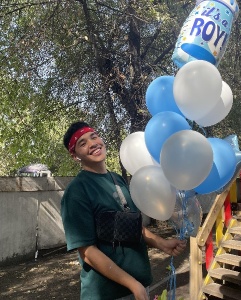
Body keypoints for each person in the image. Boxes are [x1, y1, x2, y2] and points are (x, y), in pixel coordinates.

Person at [61, 121, 187, 300]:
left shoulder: (117, 179)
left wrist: (162, 243)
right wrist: (131, 283)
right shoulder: (77, 191)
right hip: (108, 293)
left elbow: (132, 226)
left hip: (139, 286)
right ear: (75, 156)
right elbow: (88, 252)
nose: (92, 143)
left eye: (94, 136)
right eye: (82, 143)